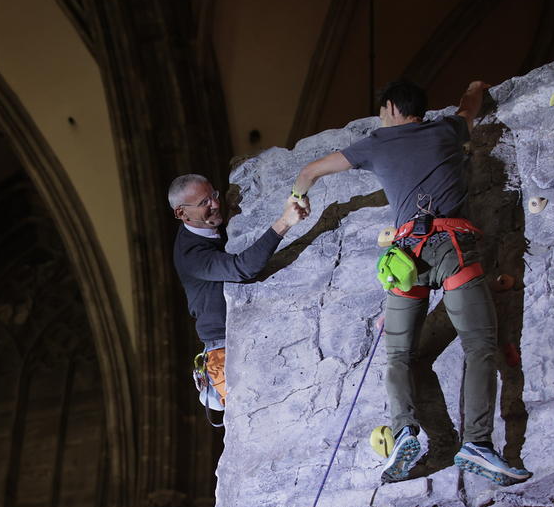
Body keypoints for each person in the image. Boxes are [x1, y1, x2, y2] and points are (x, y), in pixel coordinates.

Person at [290, 79, 531, 486]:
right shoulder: (448, 129)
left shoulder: (375, 144)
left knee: (399, 355)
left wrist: (297, 198)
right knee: (479, 346)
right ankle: (477, 443)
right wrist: (475, 85)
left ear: (389, 107)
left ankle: (404, 431)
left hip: (406, 260)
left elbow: (309, 171)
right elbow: (469, 105)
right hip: (452, 249)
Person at [170, 174, 307, 412]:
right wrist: (285, 221)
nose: (215, 204)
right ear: (182, 213)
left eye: (214, 195)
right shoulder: (189, 254)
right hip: (225, 347)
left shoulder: (206, 227)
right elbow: (242, 268)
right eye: (204, 202)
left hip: (244, 331)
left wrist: (230, 220)